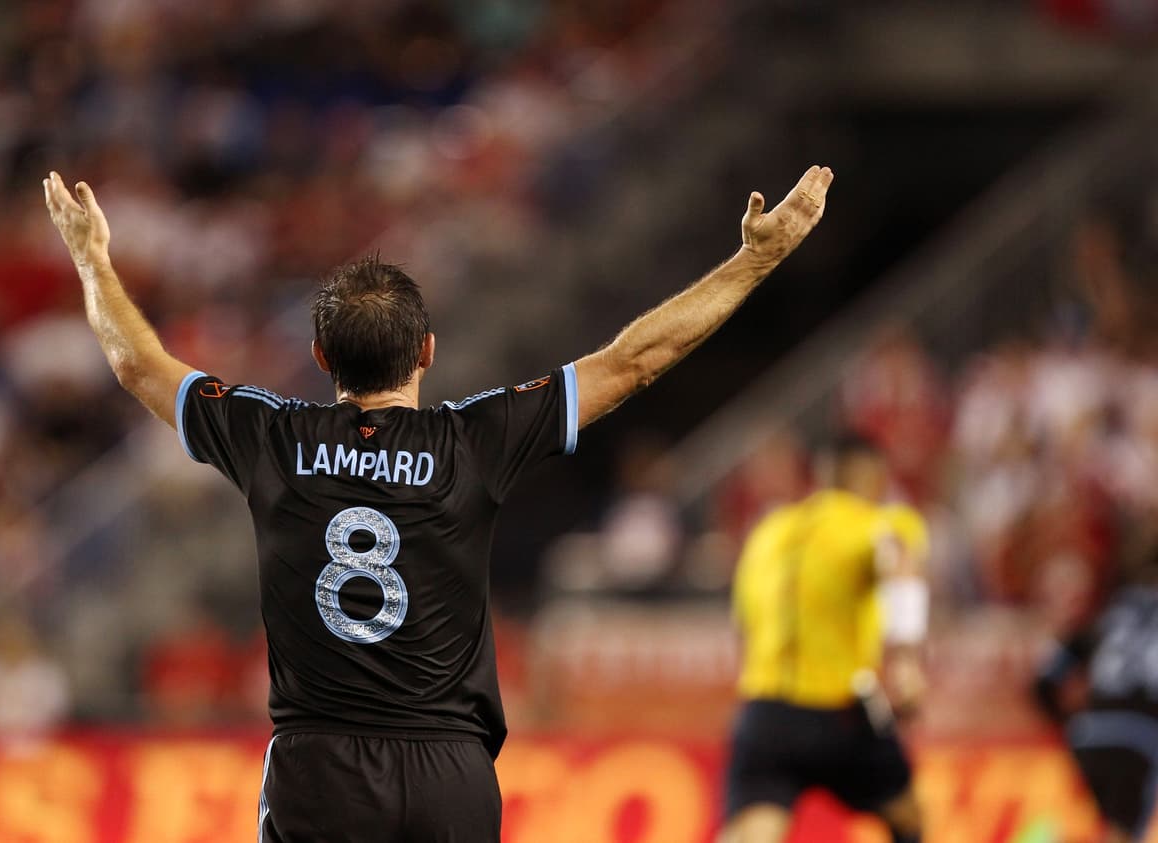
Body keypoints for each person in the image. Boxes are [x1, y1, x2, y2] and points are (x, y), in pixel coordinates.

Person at [42, 164, 833, 842]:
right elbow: (634, 361)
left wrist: (92, 261)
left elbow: (138, 364)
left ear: (321, 357)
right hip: (449, 771)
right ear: (426, 352)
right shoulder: (473, 442)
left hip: (318, 767)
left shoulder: (268, 437)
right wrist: (751, 263)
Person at [720, 433, 930, 843]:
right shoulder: (875, 522)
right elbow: (899, 562)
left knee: (752, 833)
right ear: (874, 480)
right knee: (908, 818)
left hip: (764, 712)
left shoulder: (768, 533)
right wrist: (905, 661)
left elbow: (744, 627)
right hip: (841, 711)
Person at [1034, 571, 1158, 843]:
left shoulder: (1116, 607)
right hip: (1143, 738)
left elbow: (1046, 677)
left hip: (1087, 732)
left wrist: (1065, 722)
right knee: (1123, 834)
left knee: (1066, 825)